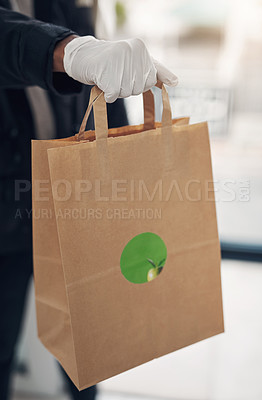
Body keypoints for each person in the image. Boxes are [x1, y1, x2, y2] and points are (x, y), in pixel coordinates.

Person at [0, 1, 178, 399]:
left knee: (88, 346)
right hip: (7, 209)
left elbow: (99, 88)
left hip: (75, 202)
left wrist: (128, 161)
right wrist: (68, 49)